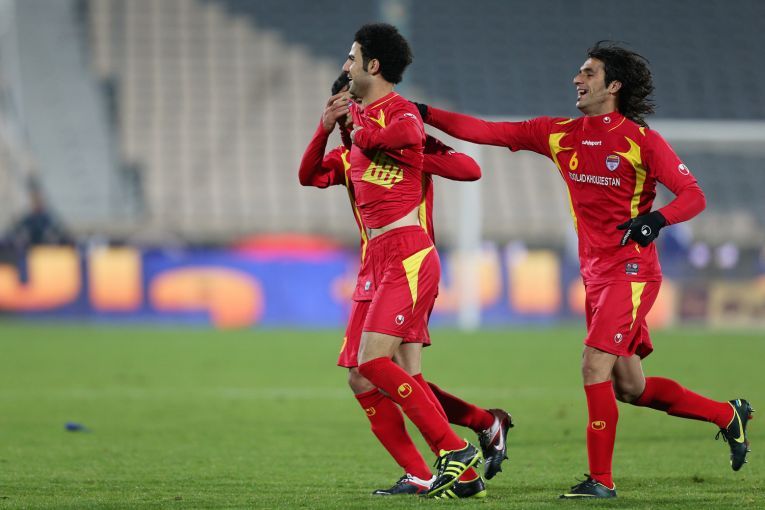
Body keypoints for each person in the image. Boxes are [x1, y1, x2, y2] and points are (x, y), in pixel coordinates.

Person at [414, 41, 753, 499]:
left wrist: (656, 219)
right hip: (596, 276)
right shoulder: (559, 133)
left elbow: (694, 195)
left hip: (631, 273)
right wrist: (423, 113)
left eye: (589, 72)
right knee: (630, 387)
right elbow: (487, 131)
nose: (577, 78)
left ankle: (601, 481)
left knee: (594, 365)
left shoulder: (642, 141)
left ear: (614, 86)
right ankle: (727, 415)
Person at [299, 72, 512, 498]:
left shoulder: (405, 140)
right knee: (377, 377)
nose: (347, 115)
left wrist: (410, 157)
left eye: (350, 106)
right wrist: (325, 130)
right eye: (340, 108)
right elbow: (309, 175)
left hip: (410, 262)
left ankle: (455, 453)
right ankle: (460, 452)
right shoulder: (350, 157)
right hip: (373, 269)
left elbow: (469, 168)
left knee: (383, 371)